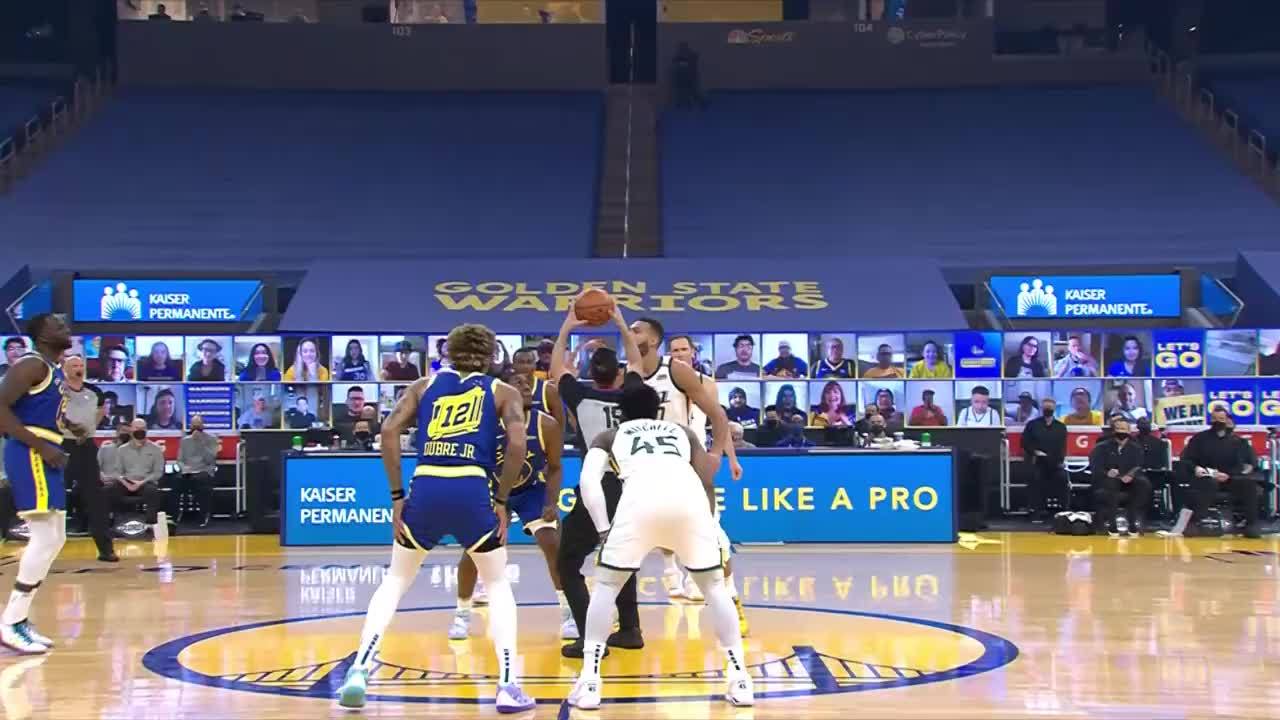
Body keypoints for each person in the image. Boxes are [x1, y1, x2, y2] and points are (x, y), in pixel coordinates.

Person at [336, 323, 534, 713]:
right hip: (472, 486)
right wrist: (501, 499)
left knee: (395, 580)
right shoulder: (503, 391)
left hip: (427, 483)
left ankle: (359, 668)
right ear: (491, 356)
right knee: (497, 583)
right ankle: (508, 685)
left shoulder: (423, 386)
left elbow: (389, 431)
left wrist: (397, 495)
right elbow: (517, 444)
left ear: (448, 353)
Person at [567, 384, 752, 710]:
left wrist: (603, 528)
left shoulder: (609, 436)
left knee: (607, 586)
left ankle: (590, 681)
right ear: (658, 411)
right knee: (715, 589)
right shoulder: (682, 432)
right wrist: (709, 525)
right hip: (689, 503)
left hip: (639, 504)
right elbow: (706, 479)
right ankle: (740, 679)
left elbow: (588, 482)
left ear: (620, 412)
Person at [628, 314, 744, 625]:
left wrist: (721, 456)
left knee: (710, 533)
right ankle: (647, 595)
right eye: (675, 349)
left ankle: (731, 596)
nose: (679, 354)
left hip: (687, 459)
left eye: (684, 349)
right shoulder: (629, 374)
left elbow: (717, 417)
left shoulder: (685, 376)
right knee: (630, 537)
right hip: (643, 465)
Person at [550, 307, 647, 658]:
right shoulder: (632, 396)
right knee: (622, 556)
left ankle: (590, 638)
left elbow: (557, 369)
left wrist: (568, 329)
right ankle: (630, 629)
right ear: (618, 374)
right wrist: (619, 322)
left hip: (599, 485)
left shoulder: (580, 396)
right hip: (633, 486)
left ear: (590, 374)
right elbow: (636, 363)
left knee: (567, 563)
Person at [450, 373, 566, 644]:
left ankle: (568, 613)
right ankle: (462, 614)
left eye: (527, 384)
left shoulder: (546, 424)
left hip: (530, 491)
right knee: (474, 549)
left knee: (552, 542)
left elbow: (555, 467)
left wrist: (551, 502)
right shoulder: (483, 425)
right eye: (517, 384)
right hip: (491, 490)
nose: (525, 387)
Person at [0, 314, 72, 653]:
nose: (66, 329)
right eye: (58, 325)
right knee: (44, 537)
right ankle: (10, 622)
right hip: (31, 452)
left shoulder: (53, 370)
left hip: (46, 452)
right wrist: (41, 446)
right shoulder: (31, 364)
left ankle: (21, 619)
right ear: (42, 334)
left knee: (55, 537)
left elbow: (39, 411)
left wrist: (69, 427)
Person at [1173, 407, 1262, 538]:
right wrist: (1195, 468)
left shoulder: (1238, 442)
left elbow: (1247, 465)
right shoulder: (1199, 439)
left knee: (1248, 485)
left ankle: (1251, 524)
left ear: (1226, 420)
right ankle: (1193, 522)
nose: (1218, 422)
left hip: (1230, 478)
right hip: (1205, 477)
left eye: (1221, 419)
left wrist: (1229, 475)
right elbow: (1186, 459)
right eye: (1214, 419)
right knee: (1207, 484)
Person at [60, 355, 115, 562]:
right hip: (62, 444)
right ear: (65, 369)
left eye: (81, 365)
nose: (78, 368)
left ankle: (105, 549)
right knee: (54, 492)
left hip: (86, 446)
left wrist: (89, 429)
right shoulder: (58, 390)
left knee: (95, 497)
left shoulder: (94, 391)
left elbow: (100, 410)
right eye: (74, 365)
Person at [1089, 417, 1150, 535]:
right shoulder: (1101, 447)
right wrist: (1107, 473)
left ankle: (1133, 522)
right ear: (1113, 430)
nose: (1121, 431)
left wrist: (1130, 475)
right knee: (1112, 484)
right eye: (1118, 428)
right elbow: (1095, 466)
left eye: (1124, 429)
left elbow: (1139, 466)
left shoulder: (1135, 448)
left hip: (1129, 480)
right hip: (1108, 480)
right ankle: (1112, 525)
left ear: (1129, 431)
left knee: (1143, 483)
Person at [109, 419, 166, 537]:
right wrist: (126, 483)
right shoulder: (122, 449)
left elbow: (158, 472)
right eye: (137, 428)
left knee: (152, 491)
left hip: (146, 482)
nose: (140, 431)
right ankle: (114, 523)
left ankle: (150, 526)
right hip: (126, 481)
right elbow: (117, 472)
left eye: (142, 428)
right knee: (110, 489)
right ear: (131, 430)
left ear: (147, 430)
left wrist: (140, 483)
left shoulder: (155, 449)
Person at [1021, 397, 1068, 519]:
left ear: (1054, 409)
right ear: (1041, 409)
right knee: (1036, 477)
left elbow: (1062, 447)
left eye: (1050, 407)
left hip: (1055, 463)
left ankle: (1064, 512)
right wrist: (1035, 452)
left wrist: (1059, 461)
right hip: (1038, 462)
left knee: (1063, 478)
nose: (1048, 409)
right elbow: (1025, 443)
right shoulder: (1032, 425)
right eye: (1046, 407)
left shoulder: (1061, 427)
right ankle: (1036, 511)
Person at [95, 421, 133, 560]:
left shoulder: (132, 451)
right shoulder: (105, 448)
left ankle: (116, 524)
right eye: (123, 431)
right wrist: (102, 477)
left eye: (128, 432)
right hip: (105, 481)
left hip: (123, 483)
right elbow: (96, 467)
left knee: (111, 490)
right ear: (117, 433)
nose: (126, 434)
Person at [177, 414, 220, 527]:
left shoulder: (211, 439)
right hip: (188, 471)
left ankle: (203, 515)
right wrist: (184, 469)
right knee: (175, 482)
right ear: (190, 426)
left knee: (202, 482)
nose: (196, 428)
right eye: (194, 425)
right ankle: (176, 515)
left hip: (204, 471)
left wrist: (201, 443)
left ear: (203, 426)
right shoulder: (184, 441)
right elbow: (180, 460)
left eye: (198, 425)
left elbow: (211, 459)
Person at [510, 346, 564, 431]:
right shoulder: (505, 389)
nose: (525, 366)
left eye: (529, 362)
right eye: (521, 362)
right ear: (513, 365)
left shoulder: (548, 390)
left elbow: (560, 425)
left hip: (544, 438)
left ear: (535, 365)